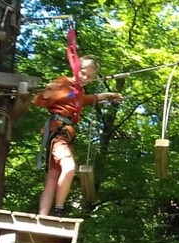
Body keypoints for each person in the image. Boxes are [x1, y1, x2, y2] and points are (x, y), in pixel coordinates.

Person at [33, 55, 121, 217]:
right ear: (76, 69)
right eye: (83, 73)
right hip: (56, 131)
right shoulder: (64, 83)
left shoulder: (78, 92)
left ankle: (43, 215)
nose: (86, 78)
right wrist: (47, 93)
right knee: (69, 167)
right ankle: (59, 209)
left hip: (64, 134)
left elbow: (88, 99)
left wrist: (109, 95)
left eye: (90, 77)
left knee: (53, 175)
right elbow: (39, 102)